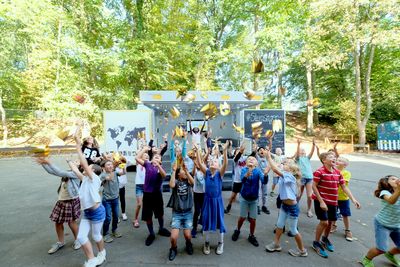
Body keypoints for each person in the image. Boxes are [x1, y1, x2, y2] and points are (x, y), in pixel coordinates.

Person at [312, 152, 361, 258]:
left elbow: (344, 187)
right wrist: (321, 201)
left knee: (330, 222)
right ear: (324, 160)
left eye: (334, 157)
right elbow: (314, 186)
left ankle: (325, 239)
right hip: (321, 201)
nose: (334, 158)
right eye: (330, 157)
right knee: (324, 222)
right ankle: (316, 242)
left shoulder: (338, 173)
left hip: (333, 201)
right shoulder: (319, 172)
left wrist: (353, 199)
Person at [69, 129, 106, 267]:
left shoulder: (94, 178)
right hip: (87, 212)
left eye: (89, 167)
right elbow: (76, 169)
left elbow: (83, 164)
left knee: (96, 236)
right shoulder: (85, 178)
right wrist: (70, 161)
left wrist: (79, 147)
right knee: (81, 237)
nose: (86, 167)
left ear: (93, 171)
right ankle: (91, 259)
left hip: (97, 212)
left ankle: (102, 253)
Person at [265, 151, 308, 257]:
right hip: (284, 206)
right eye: (284, 163)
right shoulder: (284, 175)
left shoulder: (290, 177)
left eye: (286, 164)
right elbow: (277, 169)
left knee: (293, 230)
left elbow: (275, 169)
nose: (284, 164)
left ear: (292, 170)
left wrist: (269, 157)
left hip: (292, 208)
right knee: (279, 225)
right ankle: (276, 244)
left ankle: (302, 250)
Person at [35, 157, 81, 254]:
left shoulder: (76, 174)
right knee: (58, 222)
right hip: (61, 201)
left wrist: (49, 162)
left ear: (79, 166)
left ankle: (78, 240)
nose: (73, 161)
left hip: (70, 201)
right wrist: (43, 164)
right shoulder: (67, 173)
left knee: (71, 222)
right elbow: (53, 172)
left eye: (77, 161)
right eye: (74, 160)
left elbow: (59, 172)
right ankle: (60, 242)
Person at [194, 141, 229, 255]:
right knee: (207, 223)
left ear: (218, 166)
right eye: (211, 161)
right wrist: (198, 151)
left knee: (220, 223)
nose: (213, 162)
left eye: (215, 161)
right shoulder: (207, 172)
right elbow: (199, 162)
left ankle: (221, 243)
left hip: (217, 202)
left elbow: (225, 164)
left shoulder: (220, 174)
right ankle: (207, 243)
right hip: (207, 201)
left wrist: (224, 151)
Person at [360, 175, 400, 267]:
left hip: (396, 225)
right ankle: (366, 259)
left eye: (397, 178)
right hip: (382, 224)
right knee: (381, 248)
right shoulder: (384, 192)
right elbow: (391, 201)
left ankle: (390, 254)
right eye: (393, 179)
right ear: (386, 182)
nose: (396, 180)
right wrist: (398, 190)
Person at [135, 146, 170, 246]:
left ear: (161, 161)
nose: (156, 158)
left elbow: (164, 176)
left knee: (160, 214)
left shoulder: (161, 168)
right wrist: (144, 150)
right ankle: (151, 234)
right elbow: (137, 158)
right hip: (147, 195)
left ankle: (161, 228)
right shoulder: (147, 165)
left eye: (158, 158)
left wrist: (158, 165)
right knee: (148, 216)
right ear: (151, 159)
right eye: (155, 157)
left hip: (157, 195)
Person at [231, 156, 265, 247]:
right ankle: (237, 230)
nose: (251, 160)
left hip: (254, 199)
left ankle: (251, 235)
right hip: (244, 198)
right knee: (242, 217)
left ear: (256, 163)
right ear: (246, 162)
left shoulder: (258, 171)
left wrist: (265, 175)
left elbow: (264, 181)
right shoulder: (243, 169)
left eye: (253, 159)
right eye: (249, 159)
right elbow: (242, 179)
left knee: (253, 219)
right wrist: (247, 173)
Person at [166, 163, 195, 261]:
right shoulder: (176, 182)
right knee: (173, 237)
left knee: (187, 235)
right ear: (179, 174)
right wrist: (174, 171)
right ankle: (173, 249)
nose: (185, 172)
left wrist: (186, 171)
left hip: (188, 213)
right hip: (177, 213)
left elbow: (193, 182)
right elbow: (171, 185)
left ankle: (189, 244)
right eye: (182, 170)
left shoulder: (188, 182)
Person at [100, 158, 126, 243]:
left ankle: (114, 230)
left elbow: (123, 173)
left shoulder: (115, 172)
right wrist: (114, 167)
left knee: (115, 216)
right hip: (107, 200)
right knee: (108, 218)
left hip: (115, 198)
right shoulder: (103, 175)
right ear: (103, 167)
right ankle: (105, 234)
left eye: (111, 164)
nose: (110, 166)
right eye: (108, 164)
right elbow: (110, 178)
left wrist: (123, 166)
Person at [330, 157, 354, 241]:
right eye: (337, 160)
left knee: (345, 214)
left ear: (345, 165)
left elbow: (342, 184)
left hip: (343, 197)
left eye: (340, 161)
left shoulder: (346, 173)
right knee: (333, 213)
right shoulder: (332, 170)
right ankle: (333, 225)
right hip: (333, 196)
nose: (337, 161)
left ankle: (347, 230)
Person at [295, 138, 316, 218]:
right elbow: (297, 154)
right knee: (299, 194)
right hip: (301, 178)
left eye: (304, 150)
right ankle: (295, 206)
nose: (303, 151)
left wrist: (313, 145)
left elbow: (312, 152)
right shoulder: (298, 159)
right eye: (301, 150)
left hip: (309, 178)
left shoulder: (307, 158)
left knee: (310, 196)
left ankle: (309, 209)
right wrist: (298, 144)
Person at [225, 144, 246, 214]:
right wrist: (240, 151)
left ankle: (247, 212)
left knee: (245, 197)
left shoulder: (244, 158)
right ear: (235, 154)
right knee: (233, 196)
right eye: (237, 151)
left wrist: (255, 149)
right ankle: (229, 206)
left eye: (240, 151)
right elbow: (237, 157)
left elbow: (252, 155)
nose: (239, 152)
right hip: (237, 181)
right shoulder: (235, 159)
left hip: (244, 180)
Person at [133, 152, 149, 228]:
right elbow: (137, 157)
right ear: (141, 157)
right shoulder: (138, 164)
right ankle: (135, 219)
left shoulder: (149, 164)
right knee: (139, 204)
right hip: (139, 186)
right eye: (145, 155)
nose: (146, 156)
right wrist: (144, 149)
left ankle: (146, 217)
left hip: (147, 186)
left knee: (147, 204)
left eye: (147, 156)